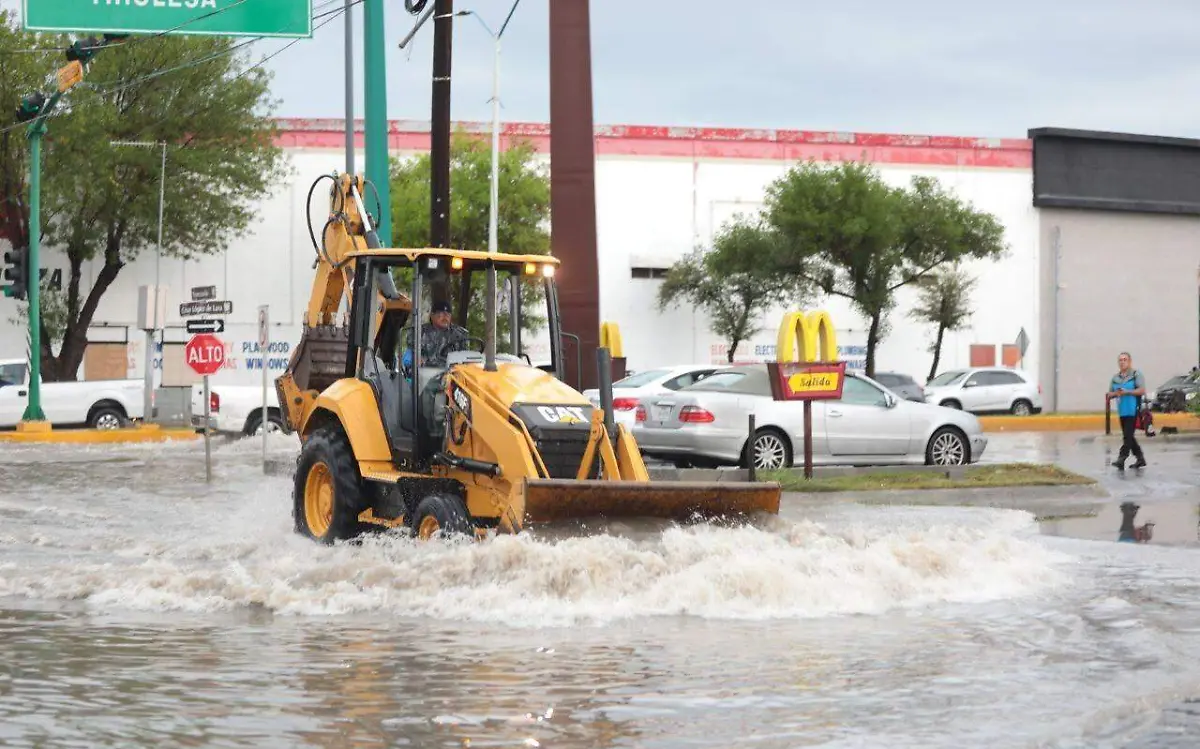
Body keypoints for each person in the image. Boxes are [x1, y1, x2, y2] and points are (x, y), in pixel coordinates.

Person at [1107, 351, 1147, 470]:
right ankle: (1140, 458)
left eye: (1125, 359)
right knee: (1129, 436)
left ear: (1129, 361)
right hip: (1122, 411)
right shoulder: (1115, 378)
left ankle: (1122, 458)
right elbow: (1110, 394)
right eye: (1120, 360)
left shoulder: (1136, 375)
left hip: (1133, 409)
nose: (1122, 362)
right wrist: (1116, 393)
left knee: (1127, 436)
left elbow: (1141, 390)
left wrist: (1127, 392)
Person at [403, 299, 469, 369]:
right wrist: (415, 360)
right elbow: (409, 356)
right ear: (432, 316)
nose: (445, 317)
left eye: (448, 314)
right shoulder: (419, 332)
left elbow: (466, 357)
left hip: (453, 375)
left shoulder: (460, 334)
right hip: (425, 374)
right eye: (441, 313)